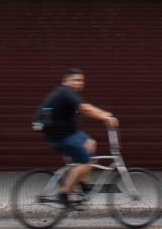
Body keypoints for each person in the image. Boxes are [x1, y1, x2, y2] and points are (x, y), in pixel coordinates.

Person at [41, 68, 118, 205]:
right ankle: (63, 193)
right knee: (86, 162)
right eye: (76, 79)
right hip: (61, 138)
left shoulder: (69, 94)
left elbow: (85, 108)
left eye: (81, 80)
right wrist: (105, 117)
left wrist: (103, 114)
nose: (79, 82)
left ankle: (83, 181)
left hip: (69, 134)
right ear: (66, 81)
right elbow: (85, 109)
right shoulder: (65, 91)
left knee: (90, 143)